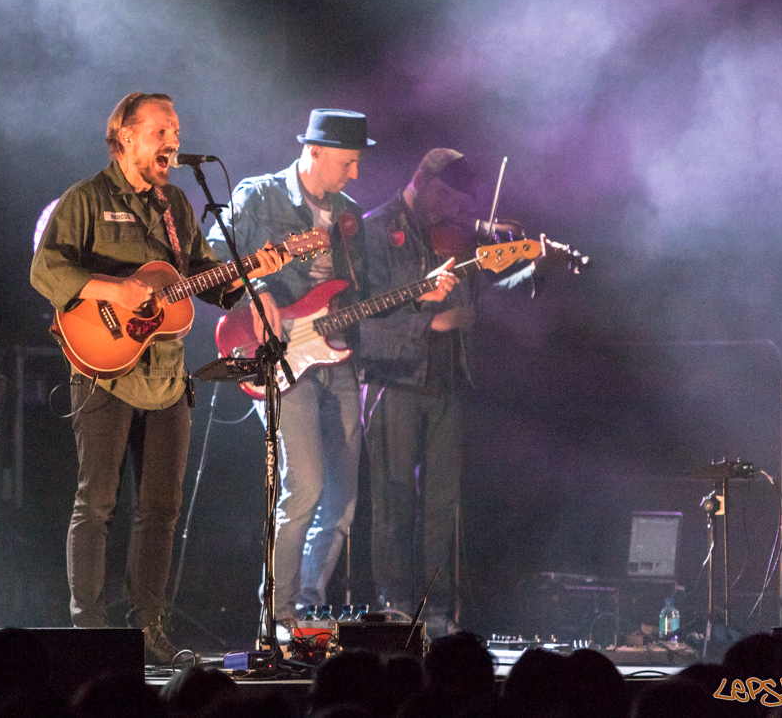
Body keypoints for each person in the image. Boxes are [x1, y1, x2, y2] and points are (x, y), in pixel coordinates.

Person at [31, 92, 288, 663]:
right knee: (96, 501)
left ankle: (147, 629)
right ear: (125, 136)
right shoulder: (87, 200)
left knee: (161, 508)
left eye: (176, 130)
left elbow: (197, 275)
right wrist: (113, 289)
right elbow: (46, 268)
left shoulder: (177, 204)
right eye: (161, 131)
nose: (173, 141)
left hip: (167, 376)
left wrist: (247, 274)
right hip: (103, 372)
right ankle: (91, 633)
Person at [206, 109, 428, 629]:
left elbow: (365, 292)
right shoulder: (259, 196)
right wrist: (259, 294)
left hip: (336, 357)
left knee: (344, 501)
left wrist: (421, 292)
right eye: (348, 163)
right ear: (315, 152)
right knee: (303, 485)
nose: (354, 175)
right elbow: (215, 254)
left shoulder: (348, 215)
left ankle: (306, 605)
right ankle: (276, 615)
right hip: (281, 356)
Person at [359, 148, 542, 631]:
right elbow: (364, 316)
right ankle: (393, 602)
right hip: (393, 377)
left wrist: (527, 269)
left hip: (448, 380)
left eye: (459, 202)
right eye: (444, 198)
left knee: (443, 503)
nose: (452, 211)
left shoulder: (458, 236)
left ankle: (438, 608)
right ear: (420, 180)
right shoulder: (375, 229)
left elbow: (483, 293)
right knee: (394, 497)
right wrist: (432, 322)